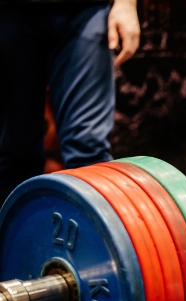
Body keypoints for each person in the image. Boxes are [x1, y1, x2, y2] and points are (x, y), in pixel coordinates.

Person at [0, 0, 140, 205]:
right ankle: (16, 236)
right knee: (12, 152)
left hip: (85, 13)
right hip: (8, 16)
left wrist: (126, 5)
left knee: (88, 151)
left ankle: (93, 236)